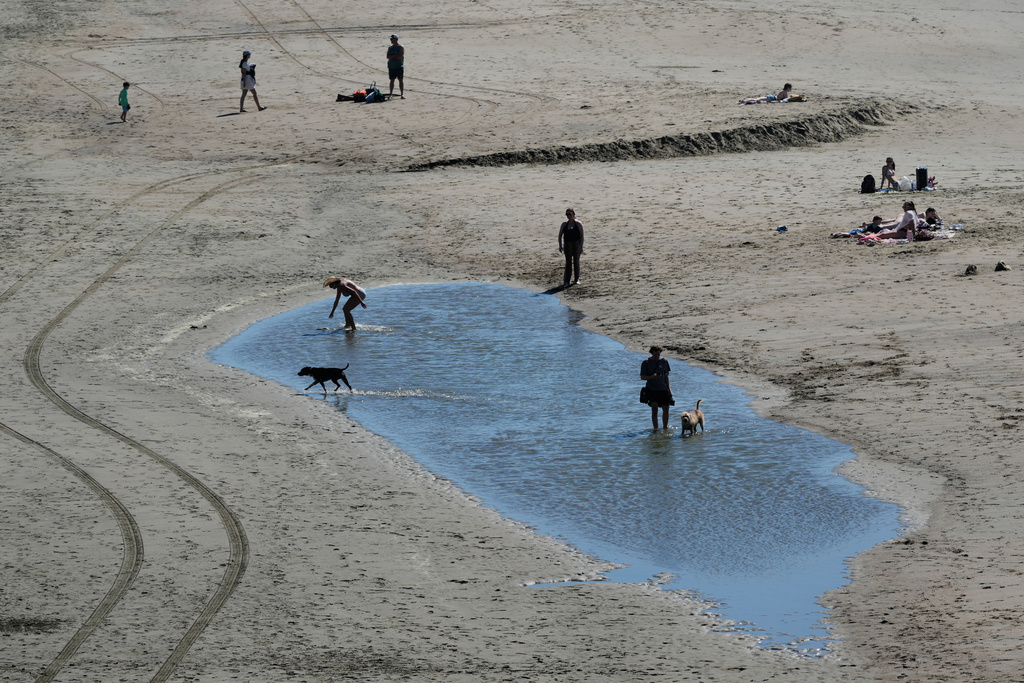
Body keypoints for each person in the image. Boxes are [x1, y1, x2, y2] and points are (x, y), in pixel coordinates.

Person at [640, 345, 673, 430]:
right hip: (651, 389)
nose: (656, 357)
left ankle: (665, 428)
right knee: (654, 410)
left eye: (658, 355)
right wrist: (652, 377)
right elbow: (642, 377)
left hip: (663, 389)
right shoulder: (646, 362)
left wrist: (669, 389)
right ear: (651, 353)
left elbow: (666, 376)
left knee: (666, 410)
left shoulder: (664, 361)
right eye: (655, 355)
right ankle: (656, 429)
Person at [557, 207, 585, 285]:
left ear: (573, 214)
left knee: (576, 262)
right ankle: (566, 281)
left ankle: (576, 280)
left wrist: (581, 247)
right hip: (567, 245)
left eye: (570, 214)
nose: (568, 216)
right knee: (568, 263)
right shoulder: (564, 224)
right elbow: (560, 235)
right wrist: (560, 246)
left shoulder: (578, 224)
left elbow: (582, 236)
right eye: (567, 214)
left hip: (576, 245)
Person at [387, 35, 405, 99]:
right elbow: (388, 56)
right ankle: (391, 94)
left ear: (396, 39)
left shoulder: (401, 47)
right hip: (391, 66)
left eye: (393, 39)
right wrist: (395, 55)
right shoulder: (390, 47)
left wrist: (393, 56)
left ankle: (402, 94)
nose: (391, 40)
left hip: (399, 66)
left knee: (400, 80)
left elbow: (399, 57)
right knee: (392, 80)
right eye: (391, 39)